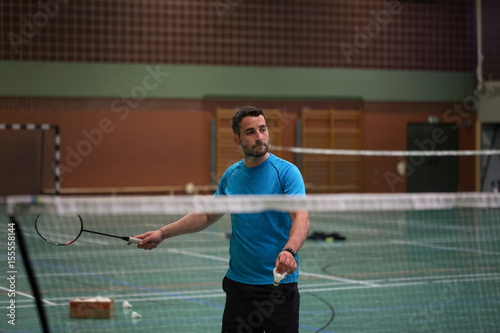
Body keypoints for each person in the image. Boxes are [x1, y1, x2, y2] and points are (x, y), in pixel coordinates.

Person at [133, 106, 310, 332]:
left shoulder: (286, 172)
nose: (259, 137)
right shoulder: (231, 176)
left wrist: (290, 250)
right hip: (240, 287)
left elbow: (302, 218)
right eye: (250, 132)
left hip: (279, 286)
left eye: (263, 129)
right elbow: (207, 215)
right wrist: (162, 233)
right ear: (237, 139)